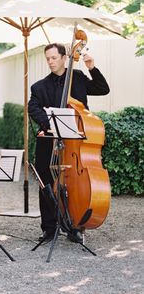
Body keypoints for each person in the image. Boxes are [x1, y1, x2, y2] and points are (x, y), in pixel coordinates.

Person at [28, 43, 110, 242]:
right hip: (49, 140)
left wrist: (91, 67)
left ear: (65, 58)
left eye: (54, 58)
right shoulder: (39, 86)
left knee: (74, 183)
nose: (50, 61)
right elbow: (33, 107)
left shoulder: (78, 78)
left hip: (75, 144)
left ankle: (75, 225)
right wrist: (50, 125)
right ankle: (49, 227)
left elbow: (102, 89)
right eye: (47, 58)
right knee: (46, 181)